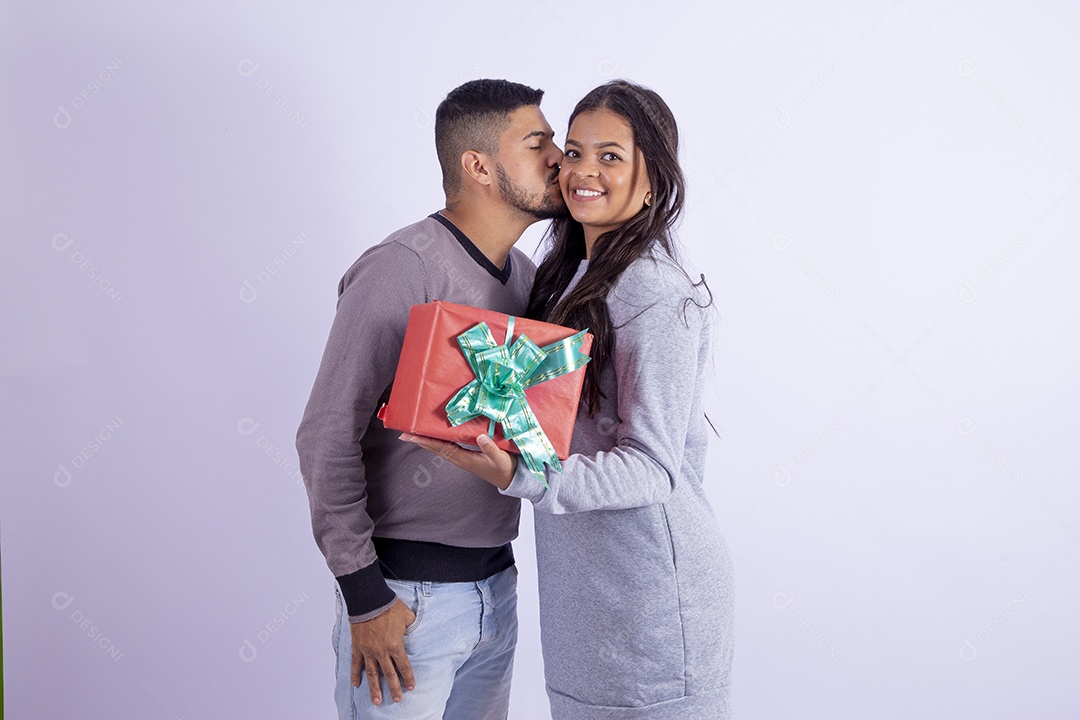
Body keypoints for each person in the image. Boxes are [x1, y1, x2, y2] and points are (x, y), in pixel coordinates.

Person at [403, 80, 735, 720]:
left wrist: (520, 473)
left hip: (654, 603)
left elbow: (653, 466)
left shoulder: (659, 294)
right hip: (586, 599)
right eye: (574, 151)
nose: (582, 171)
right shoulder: (564, 276)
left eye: (610, 156)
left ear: (653, 174)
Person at [296, 78, 565, 719]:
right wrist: (365, 595)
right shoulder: (403, 267)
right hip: (405, 599)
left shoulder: (524, 279)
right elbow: (326, 432)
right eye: (538, 142)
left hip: (496, 589)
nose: (559, 156)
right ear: (478, 167)